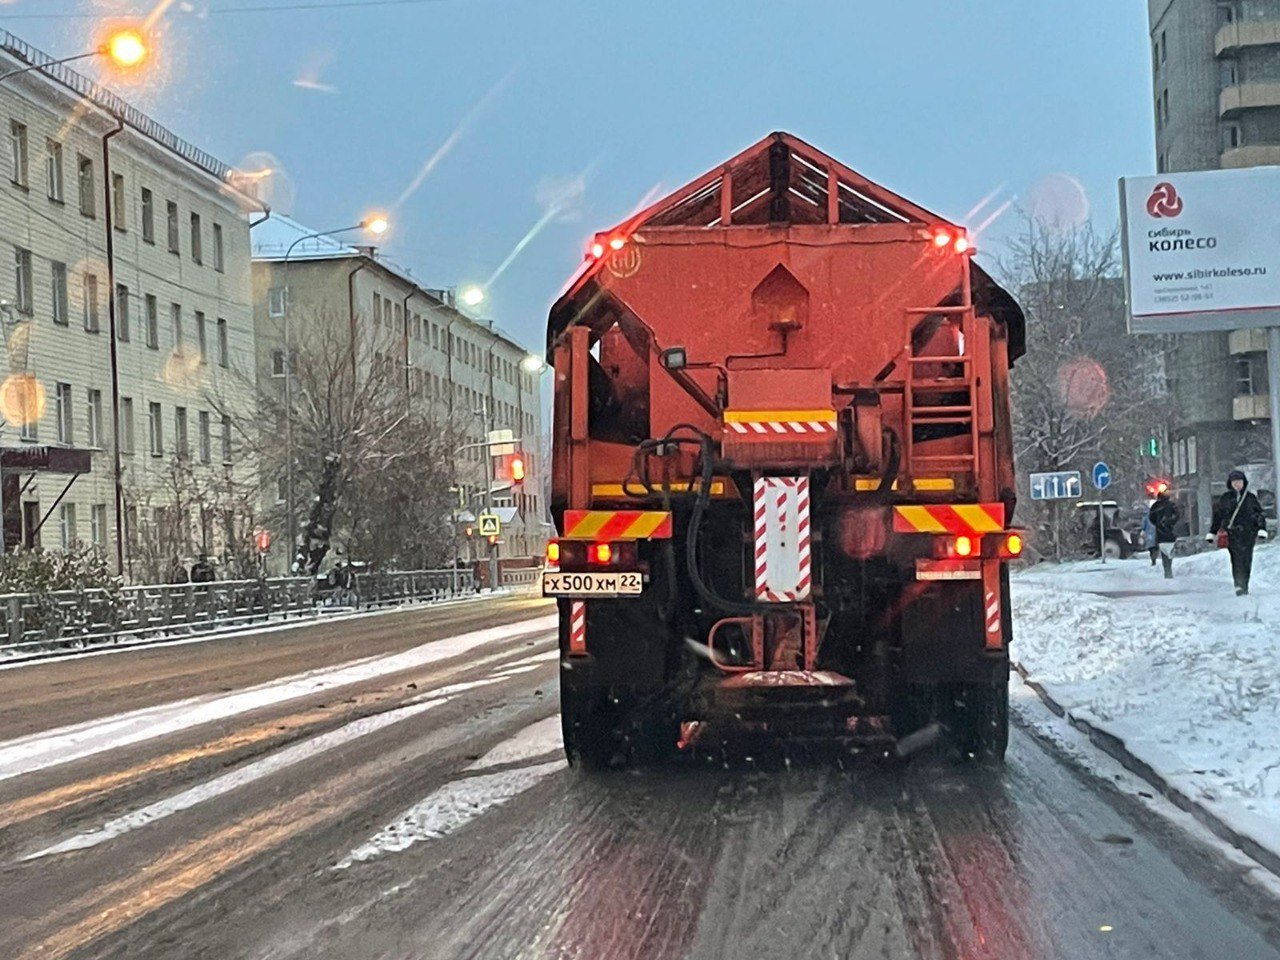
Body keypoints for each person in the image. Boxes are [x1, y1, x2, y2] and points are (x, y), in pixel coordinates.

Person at [1210, 470, 1268, 596]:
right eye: (1234, 482)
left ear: (1244, 482)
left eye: (1239, 481)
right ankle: (1238, 584)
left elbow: (1259, 514)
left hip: (1248, 533)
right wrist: (1213, 532)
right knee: (1236, 559)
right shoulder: (1225, 498)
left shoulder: (1250, 498)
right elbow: (1218, 515)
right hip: (1232, 534)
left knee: (1247, 559)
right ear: (1230, 483)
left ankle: (1244, 583)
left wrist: (1262, 528)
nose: (1237, 484)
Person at [1148, 490, 1180, 579]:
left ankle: (1166, 570)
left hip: (1160, 533)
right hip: (1171, 532)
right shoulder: (1172, 505)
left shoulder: (1155, 506)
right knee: (1169, 551)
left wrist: (1158, 524)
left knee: (1164, 552)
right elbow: (1177, 515)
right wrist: (1171, 523)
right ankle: (1169, 569)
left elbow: (1151, 518)